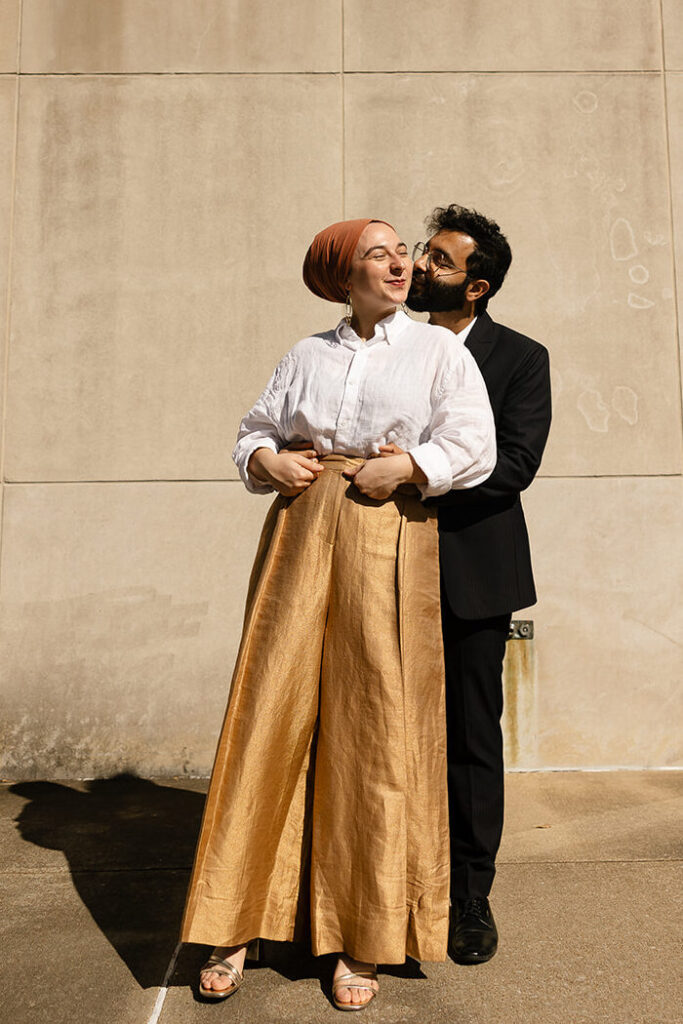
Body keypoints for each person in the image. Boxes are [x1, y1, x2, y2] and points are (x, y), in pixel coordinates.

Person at [180, 217, 497, 1010]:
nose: (399, 263)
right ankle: (236, 919)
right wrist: (267, 459)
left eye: (402, 253)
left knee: (374, 726)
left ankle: (364, 934)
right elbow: (253, 429)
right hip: (298, 528)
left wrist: (409, 467)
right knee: (271, 713)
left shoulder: (437, 351)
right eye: (380, 253)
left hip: (384, 530)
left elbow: (474, 443)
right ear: (341, 274)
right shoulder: (306, 354)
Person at [406, 204, 552, 965]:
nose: (419, 265)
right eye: (422, 252)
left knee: (468, 738)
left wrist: (413, 481)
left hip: (473, 572)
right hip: (382, 568)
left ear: (476, 287)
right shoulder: (387, 350)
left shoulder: (521, 358)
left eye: (438, 259)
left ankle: (469, 896)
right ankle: (389, 883)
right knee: (383, 730)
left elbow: (514, 464)